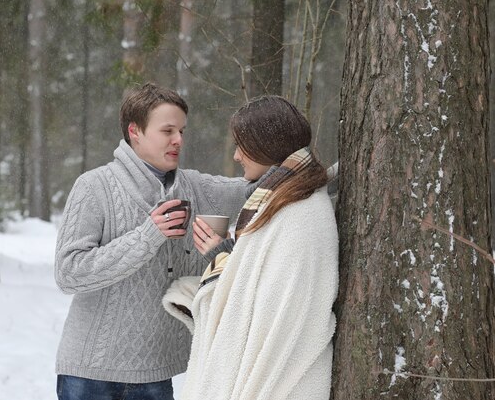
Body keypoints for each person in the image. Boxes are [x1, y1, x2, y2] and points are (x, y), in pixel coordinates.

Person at [54, 83, 248, 400]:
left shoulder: (198, 187)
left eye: (182, 131)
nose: (178, 140)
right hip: (90, 375)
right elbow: (69, 273)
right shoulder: (94, 186)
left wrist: (335, 171)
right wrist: (149, 236)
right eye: (167, 130)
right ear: (135, 131)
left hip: (155, 376)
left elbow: (266, 191)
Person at [163, 95, 339, 400]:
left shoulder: (299, 211)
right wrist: (224, 250)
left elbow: (276, 313)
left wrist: (221, 257)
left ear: (264, 146)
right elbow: (263, 279)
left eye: (242, 146)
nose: (236, 157)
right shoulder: (283, 198)